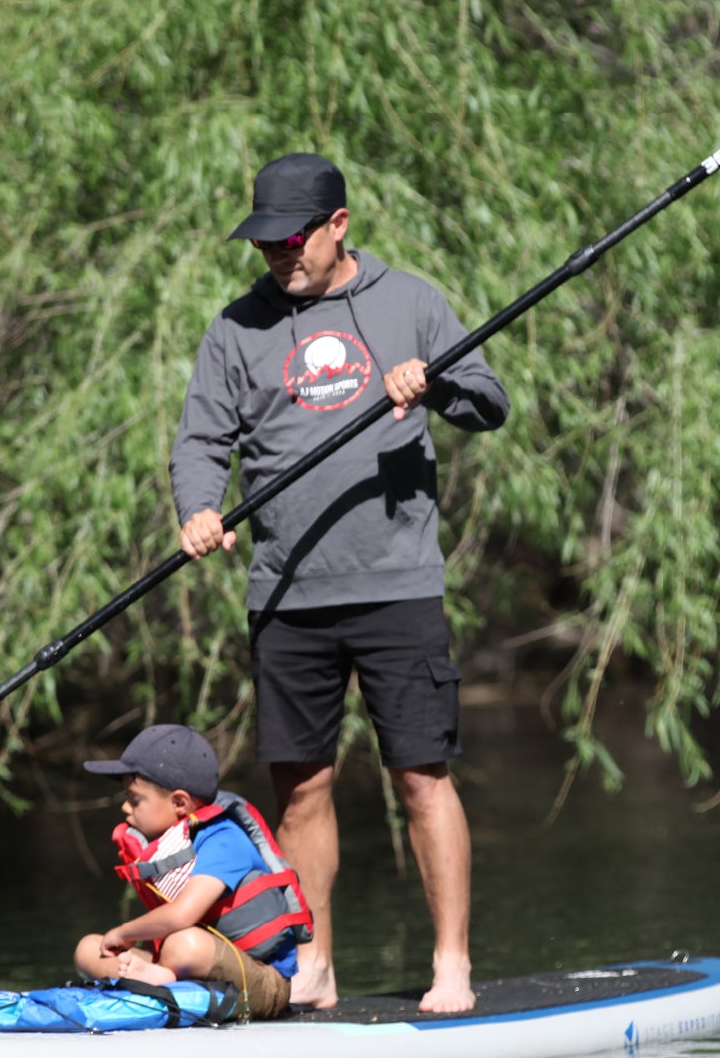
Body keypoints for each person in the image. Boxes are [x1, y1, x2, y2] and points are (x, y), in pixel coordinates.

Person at [169, 152, 509, 1013]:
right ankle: (312, 962)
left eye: (293, 241)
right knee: (303, 786)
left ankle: (451, 964)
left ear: (339, 226)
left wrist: (431, 387)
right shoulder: (236, 327)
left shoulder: (410, 301)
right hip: (286, 592)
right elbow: (203, 439)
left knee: (420, 775)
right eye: (265, 244)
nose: (279, 257)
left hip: (396, 584)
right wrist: (199, 508)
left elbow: (488, 402)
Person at [74, 723, 312, 1022]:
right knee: (88, 950)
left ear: (179, 803)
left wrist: (124, 932)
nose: (124, 807)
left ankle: (160, 982)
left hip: (263, 981)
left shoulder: (224, 839)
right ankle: (158, 981)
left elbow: (181, 916)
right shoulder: (173, 844)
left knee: (182, 944)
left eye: (134, 799)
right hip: (185, 963)